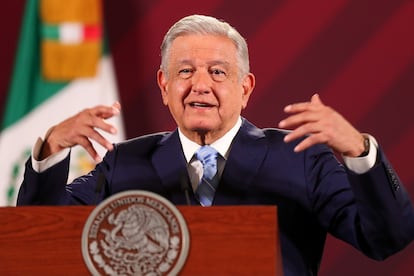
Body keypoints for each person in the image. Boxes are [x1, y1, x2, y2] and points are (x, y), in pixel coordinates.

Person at [17, 14, 414, 275]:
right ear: (164, 87)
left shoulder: (301, 158)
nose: (200, 85)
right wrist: (51, 152)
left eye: (218, 72)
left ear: (245, 89)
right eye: (185, 71)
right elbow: (38, 245)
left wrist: (360, 153)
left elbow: (387, 239)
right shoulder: (125, 163)